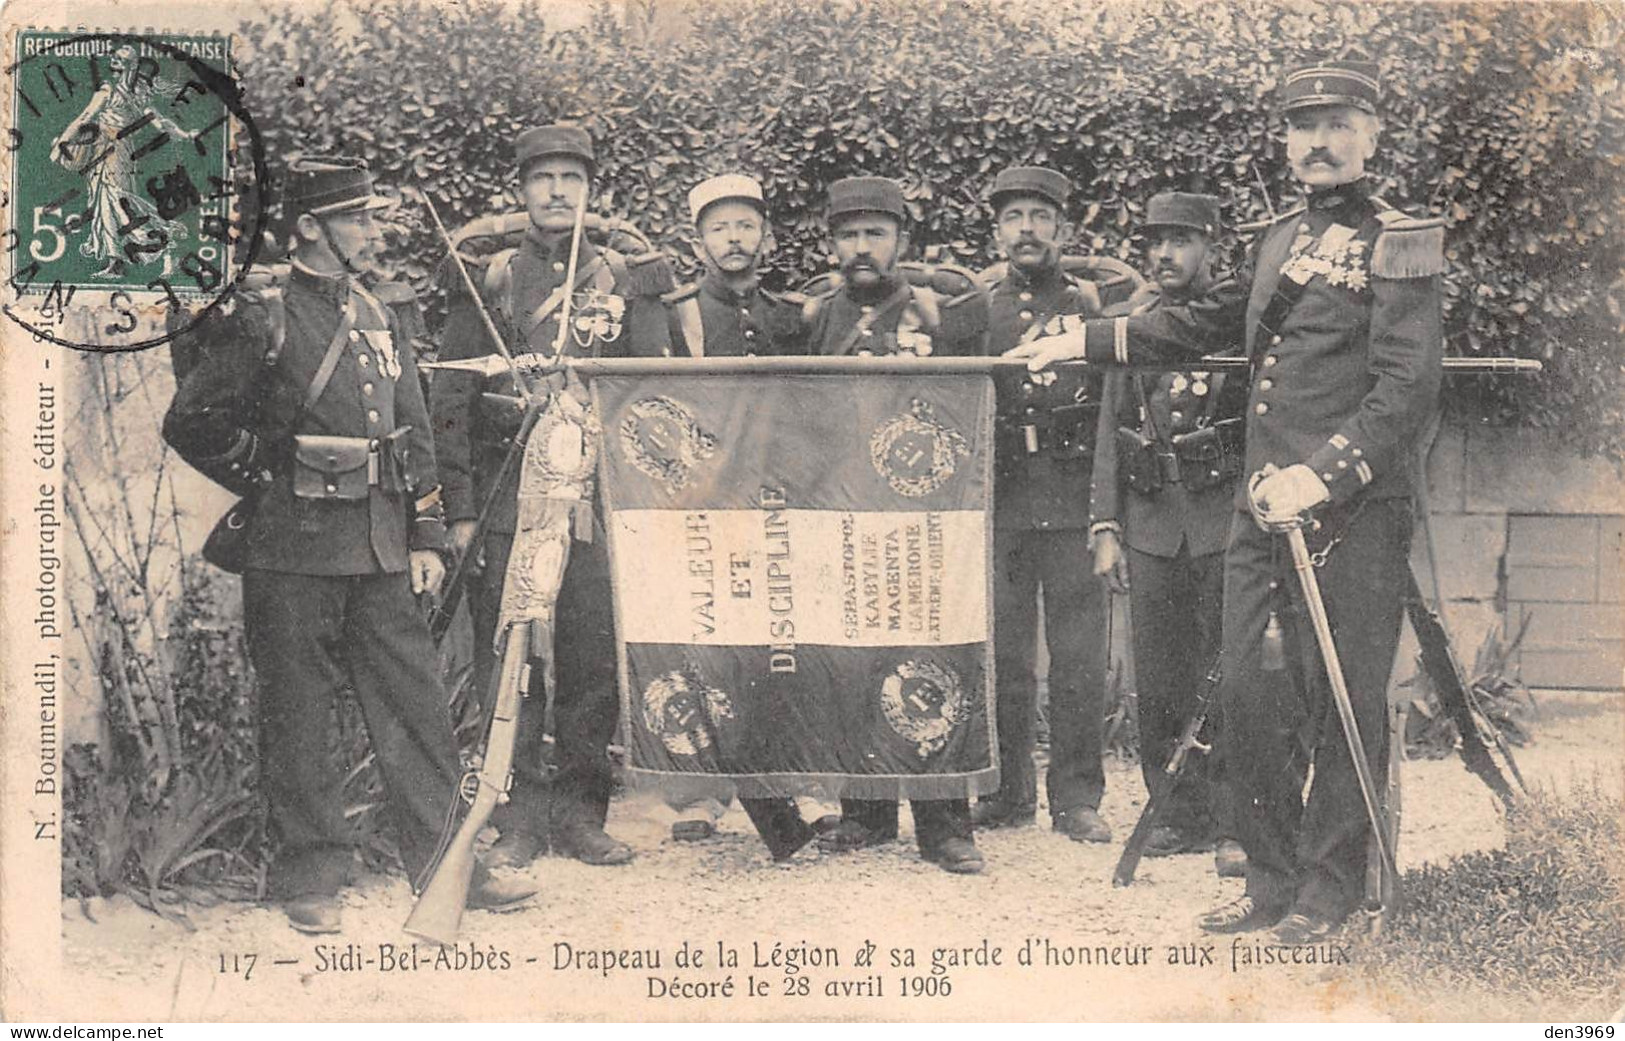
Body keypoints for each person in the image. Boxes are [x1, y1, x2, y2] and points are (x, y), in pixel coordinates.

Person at [1011, 59, 1443, 943]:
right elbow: (1205, 326)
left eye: (1335, 125)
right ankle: (1270, 882)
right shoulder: (1278, 237)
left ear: (1371, 136)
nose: (1316, 143)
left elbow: (1406, 388)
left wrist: (1320, 473)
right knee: (1248, 694)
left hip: (1350, 510)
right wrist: (1082, 336)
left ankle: (1329, 891)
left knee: (1339, 698)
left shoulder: (1400, 239)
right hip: (1258, 511)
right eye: (1301, 127)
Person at [163, 156, 535, 933]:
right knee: (296, 714)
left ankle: (446, 863)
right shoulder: (262, 315)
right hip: (289, 549)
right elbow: (191, 421)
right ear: (310, 227)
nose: (371, 232)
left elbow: (417, 431)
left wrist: (426, 534)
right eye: (356, 218)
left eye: (369, 217)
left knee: (418, 707)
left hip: (379, 546)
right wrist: (267, 476)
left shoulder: (378, 310)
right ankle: (309, 876)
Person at [430, 125, 672, 869]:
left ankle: (579, 812)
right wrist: (465, 510)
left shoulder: (622, 281)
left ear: (590, 190)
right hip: (507, 501)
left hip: (593, 503)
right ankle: (518, 816)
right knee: (512, 661)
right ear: (523, 191)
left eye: (572, 177)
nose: (558, 190)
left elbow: (651, 399)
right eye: (543, 178)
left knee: (591, 661)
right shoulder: (490, 277)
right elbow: (450, 397)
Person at [800, 175, 988, 874]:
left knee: (932, 659)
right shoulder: (818, 317)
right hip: (845, 513)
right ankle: (866, 812)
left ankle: (945, 823)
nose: (860, 248)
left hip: (925, 516)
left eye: (874, 234)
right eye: (847, 235)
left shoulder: (941, 313)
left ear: (901, 242)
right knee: (852, 660)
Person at [657, 173, 816, 860]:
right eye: (719, 228)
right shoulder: (676, 315)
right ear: (698, 241)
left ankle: (792, 779)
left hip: (777, 496)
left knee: (781, 640)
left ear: (766, 237)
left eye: (745, 226)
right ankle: (697, 792)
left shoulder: (792, 315)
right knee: (700, 639)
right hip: (704, 497)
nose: (734, 239)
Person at [1090, 191, 1247, 876]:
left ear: (1213, 248)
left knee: (1233, 676)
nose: (1164, 254)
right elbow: (1108, 432)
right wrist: (1104, 526)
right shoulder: (1131, 326)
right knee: (1157, 681)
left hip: (1223, 526)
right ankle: (1173, 814)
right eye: (1154, 242)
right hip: (1152, 525)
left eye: (1181, 240)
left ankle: (1237, 820)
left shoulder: (1238, 328)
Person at [974, 166, 1113, 845]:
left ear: (1061, 226)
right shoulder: (977, 308)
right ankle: (1005, 793)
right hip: (1002, 502)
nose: (1025, 229)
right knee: (1003, 653)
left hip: (1072, 497)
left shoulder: (1090, 302)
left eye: (1037, 216)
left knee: (1079, 654)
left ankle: (1077, 797)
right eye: (1012, 218)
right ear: (996, 230)